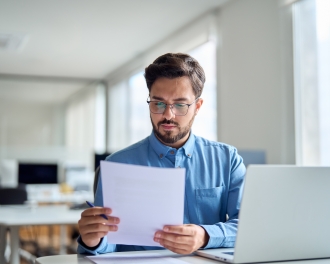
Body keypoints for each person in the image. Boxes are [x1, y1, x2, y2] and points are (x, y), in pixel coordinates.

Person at [77, 53, 246, 255]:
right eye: (158, 103)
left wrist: (205, 235)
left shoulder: (228, 159)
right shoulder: (118, 165)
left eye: (180, 105)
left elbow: (248, 225)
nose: (168, 115)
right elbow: (110, 241)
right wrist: (93, 240)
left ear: (197, 107)